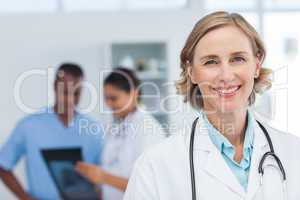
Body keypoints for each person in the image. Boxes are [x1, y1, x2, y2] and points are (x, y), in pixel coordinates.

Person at [124, 11, 300, 200]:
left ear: (256, 65)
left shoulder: (293, 151)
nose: (226, 75)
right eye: (211, 62)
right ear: (191, 72)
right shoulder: (153, 167)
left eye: (237, 59)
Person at [0, 63, 104, 200]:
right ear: (55, 87)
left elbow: (104, 177)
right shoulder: (29, 126)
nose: (71, 99)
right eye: (66, 92)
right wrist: (25, 198)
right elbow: (3, 165)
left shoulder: (93, 129)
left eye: (76, 93)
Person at [75, 67, 166, 200]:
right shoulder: (118, 127)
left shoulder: (148, 129)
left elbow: (148, 185)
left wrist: (102, 177)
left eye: (114, 98)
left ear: (134, 94)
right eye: (106, 98)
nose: (109, 104)